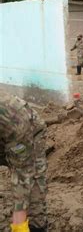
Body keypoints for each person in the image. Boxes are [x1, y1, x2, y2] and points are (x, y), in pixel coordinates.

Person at [0, 92, 47, 232]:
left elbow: (22, 171)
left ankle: (37, 225)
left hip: (29, 133)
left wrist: (19, 219)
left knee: (34, 177)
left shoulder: (13, 120)